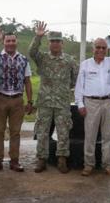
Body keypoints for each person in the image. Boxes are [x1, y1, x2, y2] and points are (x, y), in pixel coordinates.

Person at [75, 31, 110, 177]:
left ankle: (108, 165)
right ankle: (88, 165)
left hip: (108, 102)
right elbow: (79, 85)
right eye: (98, 47)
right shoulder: (85, 65)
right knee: (90, 135)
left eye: (104, 48)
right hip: (91, 103)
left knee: (107, 136)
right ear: (93, 48)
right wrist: (80, 104)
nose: (101, 50)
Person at [28, 22, 78, 173]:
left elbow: (75, 78)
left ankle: (62, 159)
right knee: (42, 131)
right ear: (49, 43)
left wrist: (64, 89)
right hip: (45, 102)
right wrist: (38, 36)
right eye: (52, 41)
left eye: (58, 41)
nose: (55, 44)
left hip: (62, 102)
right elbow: (31, 52)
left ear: (62, 43)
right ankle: (41, 159)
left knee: (63, 131)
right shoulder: (42, 58)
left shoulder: (69, 60)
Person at [0, 27, 34, 172]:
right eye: (8, 41)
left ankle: (14, 161)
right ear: (4, 42)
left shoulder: (23, 60)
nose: (11, 43)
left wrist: (30, 101)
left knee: (15, 132)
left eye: (13, 40)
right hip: (1, 98)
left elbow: (27, 81)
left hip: (17, 100)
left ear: (17, 42)